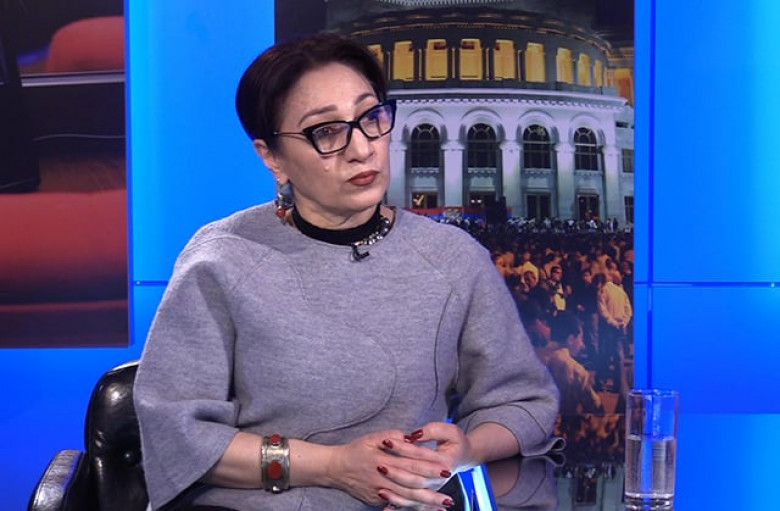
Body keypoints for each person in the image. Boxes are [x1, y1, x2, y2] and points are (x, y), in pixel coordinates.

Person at [133, 33, 559, 511]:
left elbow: (523, 402)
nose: (361, 148)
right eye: (326, 131)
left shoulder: (453, 259)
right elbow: (176, 433)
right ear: (271, 157)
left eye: (371, 118)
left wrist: (466, 449)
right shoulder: (222, 259)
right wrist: (333, 466)